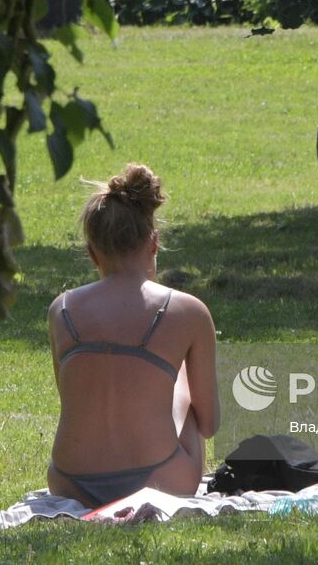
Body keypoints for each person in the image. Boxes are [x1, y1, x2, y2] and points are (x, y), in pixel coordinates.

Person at [47, 163, 219, 507]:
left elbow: (73, 398)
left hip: (69, 483)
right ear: (154, 243)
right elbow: (210, 423)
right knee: (179, 375)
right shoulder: (188, 311)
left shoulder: (61, 309)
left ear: (92, 253)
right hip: (160, 479)